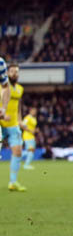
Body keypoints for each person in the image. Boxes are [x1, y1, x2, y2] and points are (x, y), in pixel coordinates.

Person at [1, 63, 26, 192]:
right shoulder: (2, 86)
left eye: (16, 72)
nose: (14, 74)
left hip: (13, 124)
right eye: (12, 71)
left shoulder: (20, 89)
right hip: (1, 123)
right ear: (7, 73)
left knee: (18, 152)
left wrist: (20, 120)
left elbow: (18, 106)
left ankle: (13, 182)